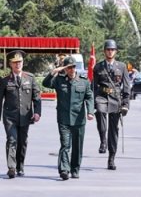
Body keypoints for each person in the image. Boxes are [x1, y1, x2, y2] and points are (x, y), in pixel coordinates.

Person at [42, 56, 94, 180]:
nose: (71, 70)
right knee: (65, 144)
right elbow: (45, 83)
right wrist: (54, 71)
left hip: (79, 119)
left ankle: (75, 169)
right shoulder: (59, 80)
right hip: (63, 118)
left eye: (73, 67)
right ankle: (64, 169)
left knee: (77, 145)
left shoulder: (84, 81)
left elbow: (89, 97)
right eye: (68, 67)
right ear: (65, 69)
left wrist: (90, 112)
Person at [0, 50, 41, 179]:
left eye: (20, 62)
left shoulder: (30, 78)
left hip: (25, 116)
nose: (18, 64)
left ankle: (20, 166)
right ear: (11, 64)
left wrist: (37, 112)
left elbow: (36, 97)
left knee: (22, 142)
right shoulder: (5, 81)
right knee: (12, 139)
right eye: (15, 62)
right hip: (10, 116)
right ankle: (11, 167)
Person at [93, 39, 130, 170]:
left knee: (114, 131)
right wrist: (92, 103)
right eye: (108, 49)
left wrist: (126, 104)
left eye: (112, 49)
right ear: (104, 51)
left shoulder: (122, 66)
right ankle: (103, 140)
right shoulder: (98, 67)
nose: (110, 51)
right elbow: (94, 86)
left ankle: (111, 158)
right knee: (100, 112)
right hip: (101, 96)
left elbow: (126, 86)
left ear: (116, 51)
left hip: (115, 98)